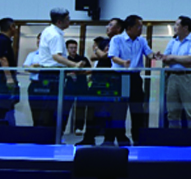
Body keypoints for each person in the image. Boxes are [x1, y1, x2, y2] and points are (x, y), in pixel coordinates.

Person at [108, 14, 160, 145]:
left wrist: (156, 56)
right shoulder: (117, 39)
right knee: (119, 110)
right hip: (120, 77)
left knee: (137, 109)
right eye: (138, 27)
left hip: (135, 78)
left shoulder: (141, 40)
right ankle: (121, 138)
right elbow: (113, 56)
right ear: (129, 27)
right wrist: (123, 62)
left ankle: (138, 138)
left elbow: (149, 53)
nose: (141, 29)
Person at [76, 18, 124, 146]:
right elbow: (93, 57)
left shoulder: (119, 41)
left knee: (111, 111)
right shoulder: (104, 41)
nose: (107, 27)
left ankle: (108, 140)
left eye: (111, 25)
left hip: (112, 80)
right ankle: (88, 138)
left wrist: (96, 49)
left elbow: (104, 56)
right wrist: (99, 51)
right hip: (97, 80)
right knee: (91, 110)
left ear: (118, 29)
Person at [37, 8, 86, 129]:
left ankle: (47, 134)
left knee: (48, 106)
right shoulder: (55, 35)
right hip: (53, 73)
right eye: (67, 19)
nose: (70, 21)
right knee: (52, 107)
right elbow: (56, 56)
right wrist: (74, 65)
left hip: (47, 73)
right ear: (59, 22)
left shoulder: (48, 30)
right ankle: (50, 135)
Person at [161, 16, 191, 129]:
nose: (175, 27)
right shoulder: (173, 41)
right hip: (173, 77)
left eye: (177, 24)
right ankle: (174, 137)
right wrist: (179, 59)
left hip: (189, 78)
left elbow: (190, 60)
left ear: (185, 27)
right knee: (172, 112)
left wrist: (173, 57)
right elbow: (165, 59)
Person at [0, 17, 20, 126]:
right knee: (1, 107)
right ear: (11, 27)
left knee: (5, 106)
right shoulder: (2, 40)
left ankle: (3, 128)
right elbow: (3, 59)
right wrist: (9, 78)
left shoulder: (3, 40)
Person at [65, 39, 91, 134]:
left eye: (75, 48)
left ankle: (79, 128)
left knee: (81, 107)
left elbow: (90, 70)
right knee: (66, 107)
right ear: (67, 49)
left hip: (81, 85)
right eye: (71, 48)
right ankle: (62, 128)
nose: (73, 50)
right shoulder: (65, 59)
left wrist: (80, 73)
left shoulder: (82, 59)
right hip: (70, 85)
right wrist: (69, 74)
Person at [23, 33, 42, 124]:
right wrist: (38, 67)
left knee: (46, 113)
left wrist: (36, 66)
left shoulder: (51, 56)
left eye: (41, 39)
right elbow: (26, 67)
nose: (39, 41)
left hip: (48, 85)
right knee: (35, 111)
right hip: (35, 84)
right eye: (38, 39)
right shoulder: (32, 55)